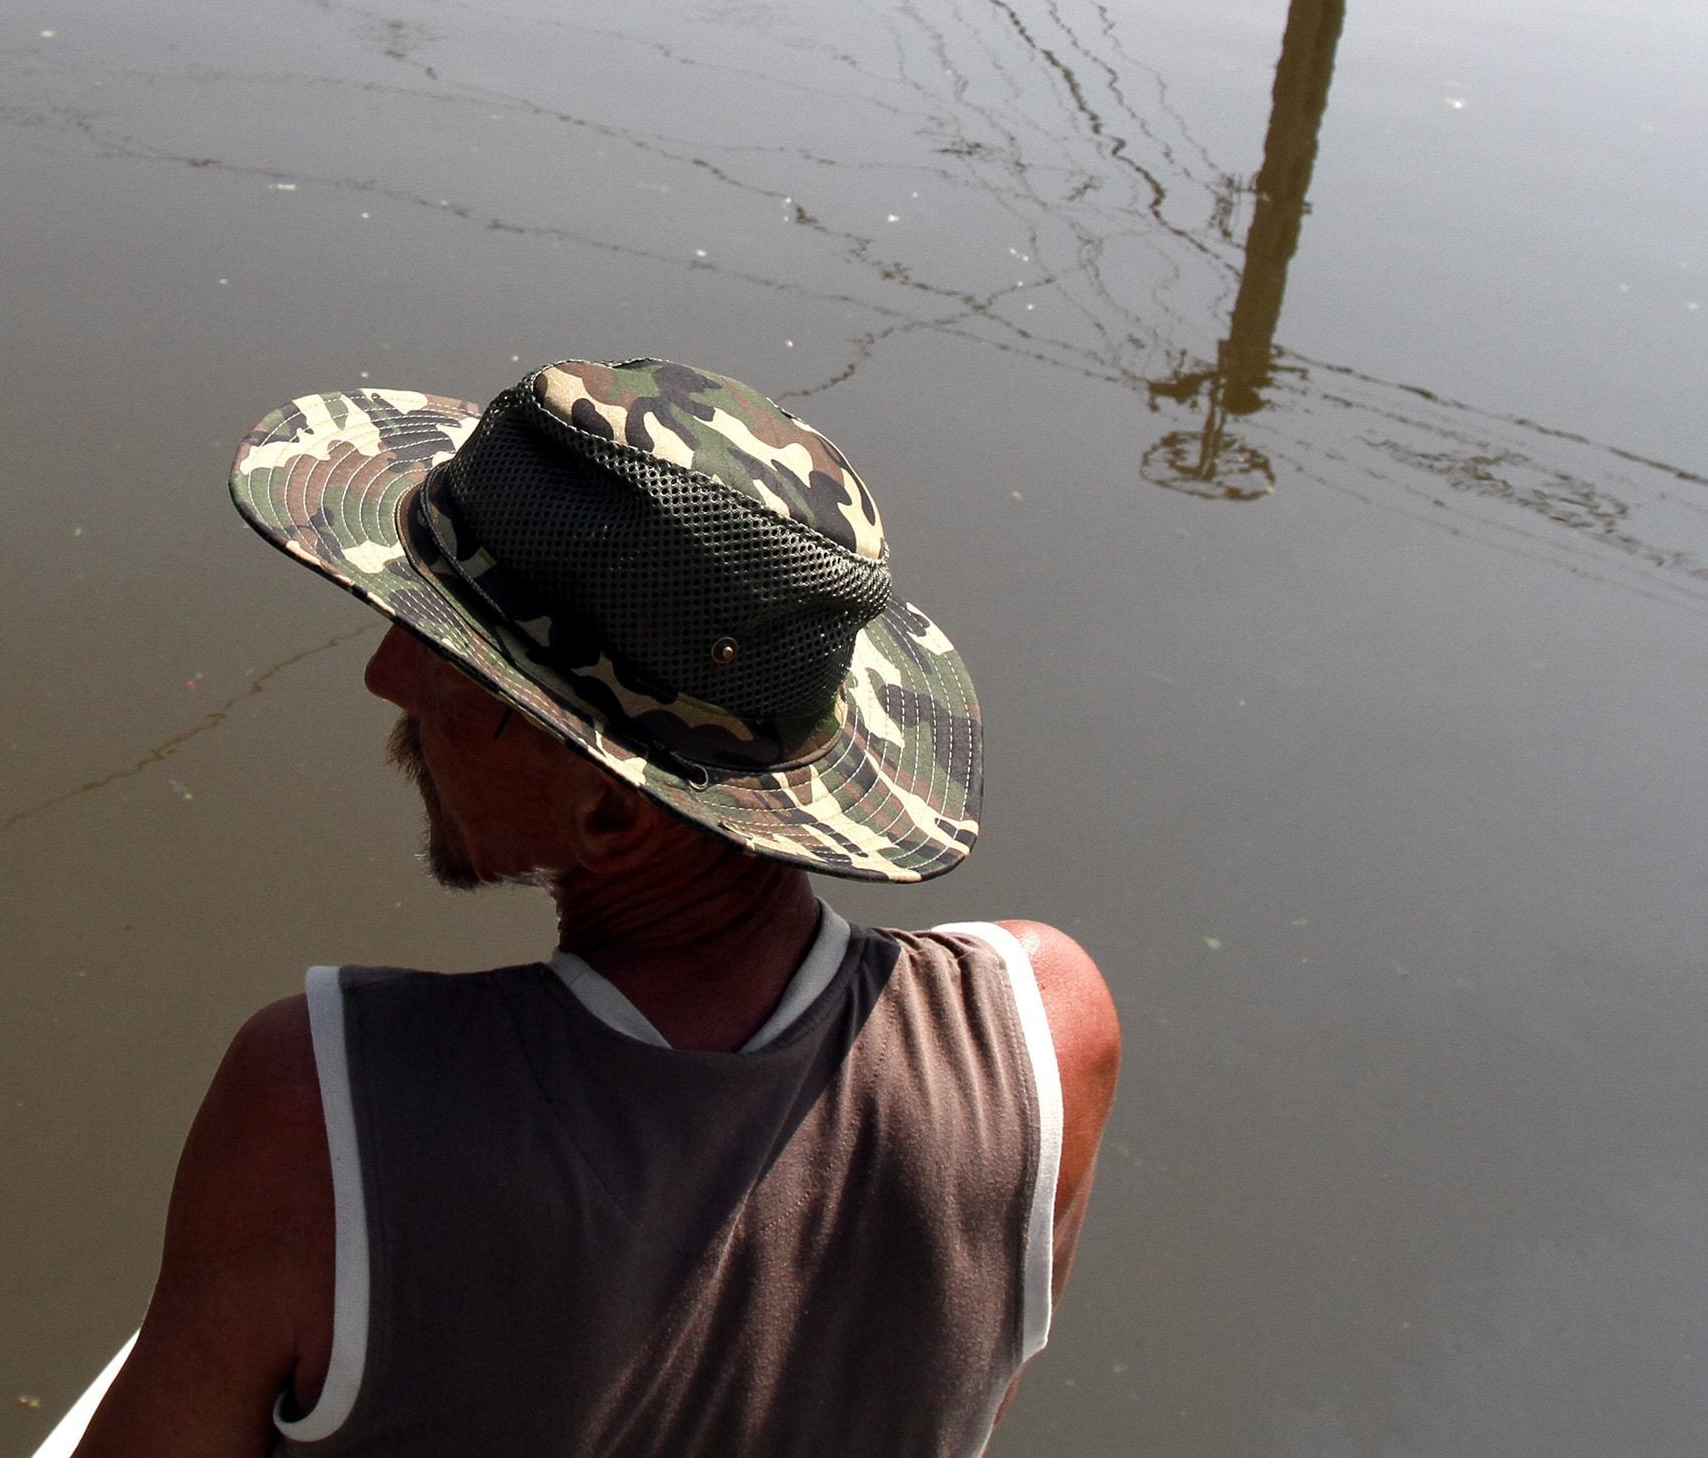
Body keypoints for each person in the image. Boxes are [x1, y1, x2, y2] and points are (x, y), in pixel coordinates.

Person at [74, 358, 1119, 1457]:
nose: (386, 676)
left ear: (616, 818)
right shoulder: (1044, 1041)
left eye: (451, 660)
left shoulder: (315, 1112)